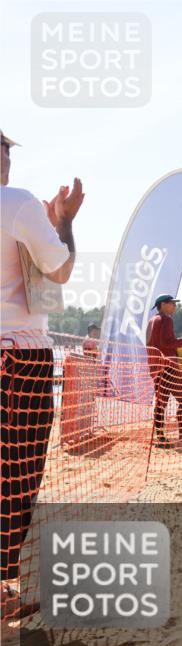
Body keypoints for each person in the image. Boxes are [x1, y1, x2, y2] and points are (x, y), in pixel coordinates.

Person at [1, 129, 83, 620]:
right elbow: (61, 270)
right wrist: (65, 221)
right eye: (6, 150)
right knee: (17, 475)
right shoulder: (15, 202)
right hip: (20, 355)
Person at [146, 294, 182, 449]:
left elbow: (153, 344)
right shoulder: (166, 320)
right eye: (172, 303)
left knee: (161, 403)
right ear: (163, 304)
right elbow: (166, 343)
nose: (175, 306)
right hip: (169, 366)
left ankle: (159, 438)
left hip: (156, 367)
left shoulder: (151, 321)